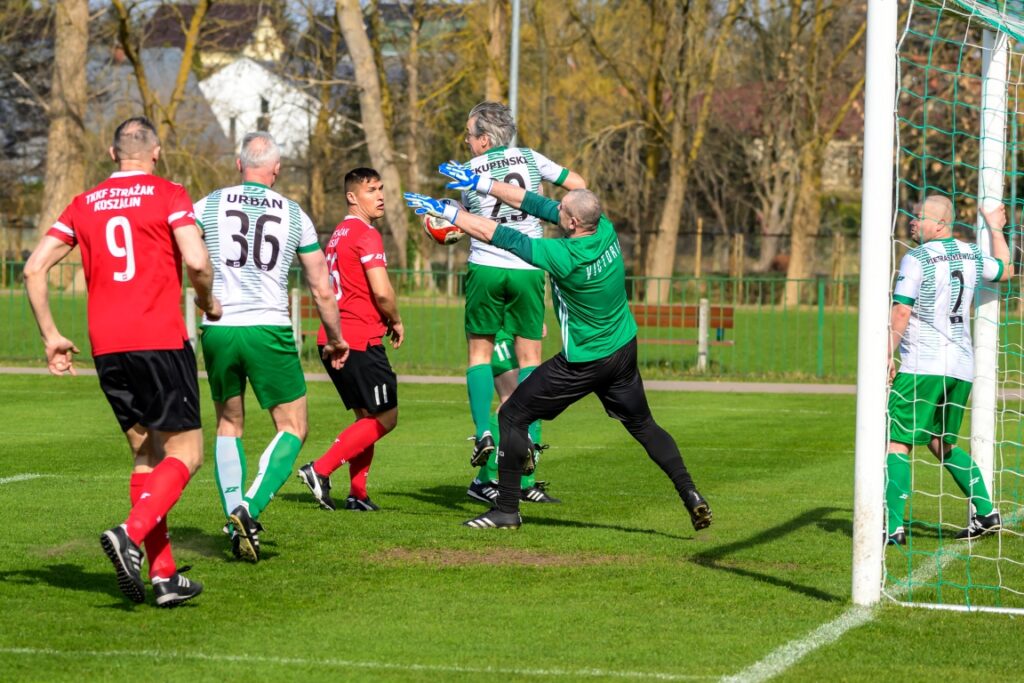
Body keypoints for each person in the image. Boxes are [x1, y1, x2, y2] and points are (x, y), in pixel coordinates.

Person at [405, 167, 713, 531]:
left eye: (561, 210)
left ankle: (505, 510)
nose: (556, 210)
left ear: (570, 222)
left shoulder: (562, 256)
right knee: (645, 425)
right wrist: (483, 184)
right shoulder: (606, 230)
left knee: (512, 416)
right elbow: (536, 204)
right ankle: (691, 494)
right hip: (623, 350)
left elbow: (496, 233)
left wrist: (451, 213)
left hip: (585, 361)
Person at [23, 116, 221, 606]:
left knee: (146, 455)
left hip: (107, 347)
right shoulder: (169, 193)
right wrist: (208, 301)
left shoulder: (83, 203)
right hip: (158, 340)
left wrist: (51, 336)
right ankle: (130, 535)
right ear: (155, 152)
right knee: (187, 455)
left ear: (113, 155)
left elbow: (33, 268)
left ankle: (164, 577)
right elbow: (196, 261)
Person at [194, 132, 349, 562]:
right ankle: (248, 507)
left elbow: (184, 252)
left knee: (229, 424)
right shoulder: (293, 213)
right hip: (268, 327)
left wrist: (199, 296)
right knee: (294, 426)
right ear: (276, 170)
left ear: (238, 164)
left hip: (219, 325)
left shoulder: (207, 204)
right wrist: (335, 338)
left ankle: (233, 516)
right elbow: (321, 286)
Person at [457, 101, 586, 468]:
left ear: (484, 139)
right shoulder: (530, 158)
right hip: (529, 265)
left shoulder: (470, 170)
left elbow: (462, 219)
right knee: (530, 358)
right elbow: (577, 185)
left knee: (479, 354)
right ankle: (528, 436)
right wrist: (555, 216)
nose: (467, 142)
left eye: (469, 135)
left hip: (485, 266)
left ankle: (483, 430)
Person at [884, 196, 1013, 546]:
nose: (912, 221)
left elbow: (901, 312)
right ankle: (986, 513)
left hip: (922, 365)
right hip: (960, 367)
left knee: (897, 443)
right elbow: (1005, 269)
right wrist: (995, 228)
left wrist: (887, 354)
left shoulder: (917, 258)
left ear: (940, 224)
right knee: (943, 443)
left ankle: (892, 527)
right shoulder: (969, 253)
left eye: (919, 217)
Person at [297, 168, 404, 511]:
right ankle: (320, 469)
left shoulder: (338, 233)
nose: (380, 195)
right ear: (352, 197)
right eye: (371, 189)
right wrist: (395, 318)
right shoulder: (366, 234)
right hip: (358, 339)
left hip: (332, 336)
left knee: (366, 417)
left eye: (381, 188)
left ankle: (357, 494)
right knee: (386, 417)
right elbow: (382, 291)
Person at [467, 326, 560, 505]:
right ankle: (483, 481)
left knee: (532, 401)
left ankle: (523, 484)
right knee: (515, 399)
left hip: (519, 326)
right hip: (499, 328)